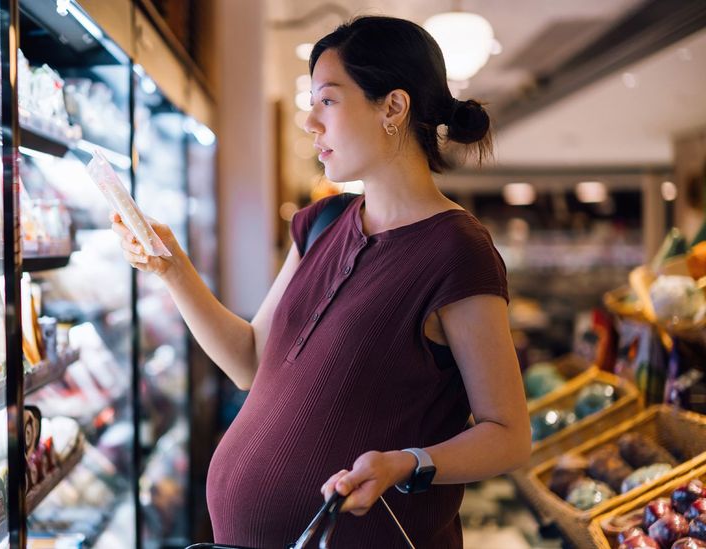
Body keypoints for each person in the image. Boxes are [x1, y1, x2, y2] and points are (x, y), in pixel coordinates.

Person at [111, 15, 530, 548]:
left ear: (393, 108)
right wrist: (173, 268)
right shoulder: (322, 223)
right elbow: (250, 362)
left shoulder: (457, 251)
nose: (310, 121)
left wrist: (406, 464)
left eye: (327, 100)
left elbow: (509, 436)